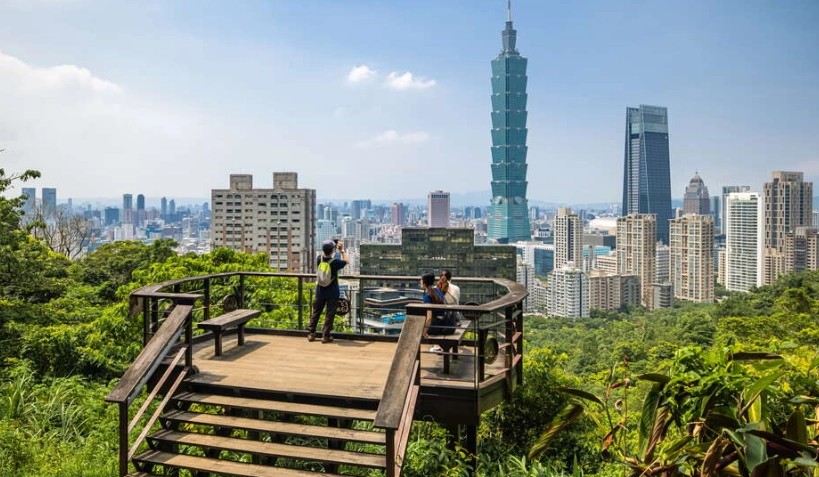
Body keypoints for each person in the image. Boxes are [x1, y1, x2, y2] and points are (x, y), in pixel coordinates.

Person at [307, 239, 348, 343]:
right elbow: (347, 261)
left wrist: (332, 244)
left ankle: (311, 334)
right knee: (330, 314)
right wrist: (341, 250)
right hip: (332, 291)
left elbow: (326, 252)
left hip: (320, 290)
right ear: (333, 250)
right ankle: (325, 336)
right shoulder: (335, 262)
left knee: (316, 312)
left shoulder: (319, 259)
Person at [421, 272, 453, 353]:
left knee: (419, 327)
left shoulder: (427, 296)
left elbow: (429, 318)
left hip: (436, 326)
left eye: (421, 281)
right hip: (445, 322)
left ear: (424, 283)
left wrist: (424, 332)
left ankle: (436, 346)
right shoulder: (437, 290)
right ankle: (437, 345)